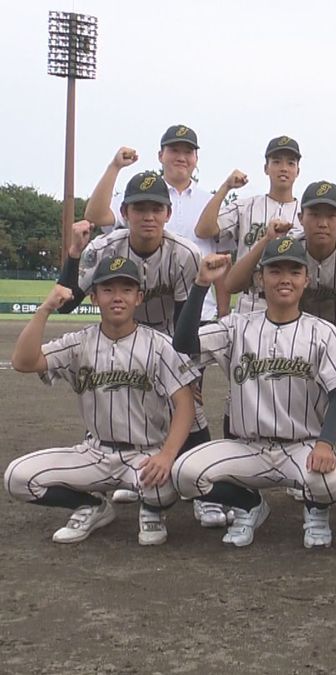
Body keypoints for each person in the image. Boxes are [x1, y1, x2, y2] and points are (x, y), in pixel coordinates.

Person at [60, 171, 219, 523]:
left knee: (191, 414)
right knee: (117, 407)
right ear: (125, 212)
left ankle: (203, 493)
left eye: (155, 208)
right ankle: (129, 475)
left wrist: (188, 375)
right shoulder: (102, 249)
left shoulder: (185, 253)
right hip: (115, 338)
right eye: (139, 208)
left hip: (165, 340)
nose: (148, 216)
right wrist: (73, 255)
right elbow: (67, 303)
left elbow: (184, 324)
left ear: (167, 213)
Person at [4, 259, 197, 545]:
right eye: (108, 289)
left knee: (167, 485)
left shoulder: (158, 345)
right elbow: (23, 362)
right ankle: (92, 505)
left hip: (144, 454)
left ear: (138, 297)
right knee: (16, 479)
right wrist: (45, 309)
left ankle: (152, 510)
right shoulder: (79, 342)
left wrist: (167, 455)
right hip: (94, 453)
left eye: (127, 289)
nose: (117, 296)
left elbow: (185, 404)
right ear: (94, 297)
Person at [171, 242, 336, 548]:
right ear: (260, 279)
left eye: (294, 271)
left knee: (331, 483)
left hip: (302, 448)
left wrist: (325, 443)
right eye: (275, 270)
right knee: (183, 474)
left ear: (306, 279)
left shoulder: (323, 332)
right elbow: (184, 342)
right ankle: (249, 505)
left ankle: (316, 511)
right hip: (247, 449)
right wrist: (201, 285)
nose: (285, 278)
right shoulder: (236, 327)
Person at [223, 181, 336, 522]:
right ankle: (244, 490)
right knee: (250, 396)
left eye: (330, 214)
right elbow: (232, 285)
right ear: (301, 216)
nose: (322, 222)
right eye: (314, 214)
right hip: (286, 328)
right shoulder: (285, 245)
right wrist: (266, 240)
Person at [83, 126, 224, 320]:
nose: (181, 157)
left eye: (188, 151)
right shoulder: (142, 195)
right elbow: (96, 216)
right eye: (174, 150)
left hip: (201, 312)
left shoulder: (211, 201)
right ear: (160, 155)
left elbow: (222, 259)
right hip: (143, 314)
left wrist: (223, 313)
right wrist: (115, 167)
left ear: (196, 159)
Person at [195, 135, 305, 315]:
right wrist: (226, 187)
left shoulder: (305, 214)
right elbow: (203, 230)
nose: (284, 168)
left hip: (292, 303)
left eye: (290, 163)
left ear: (297, 171)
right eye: (276, 162)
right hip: (251, 300)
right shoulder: (245, 207)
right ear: (266, 168)